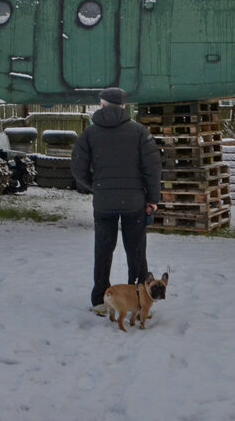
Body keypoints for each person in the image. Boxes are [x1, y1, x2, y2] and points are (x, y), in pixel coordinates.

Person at [71, 86, 161, 313]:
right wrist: (152, 199)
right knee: (136, 252)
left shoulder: (89, 134)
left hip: (104, 203)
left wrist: (98, 186)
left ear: (101, 105)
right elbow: (152, 169)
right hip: (134, 202)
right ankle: (140, 300)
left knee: (103, 251)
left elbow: (78, 169)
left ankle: (101, 301)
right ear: (124, 106)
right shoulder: (140, 132)